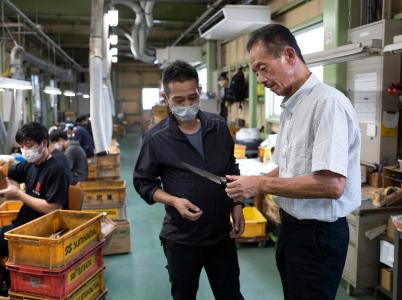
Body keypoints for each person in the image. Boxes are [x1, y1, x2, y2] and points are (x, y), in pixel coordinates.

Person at [225, 24, 361, 300]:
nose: (260, 79)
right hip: (292, 228)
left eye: (263, 68)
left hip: (317, 235)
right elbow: (285, 170)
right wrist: (247, 185)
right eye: (256, 72)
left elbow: (332, 185)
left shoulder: (327, 104)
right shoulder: (291, 106)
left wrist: (261, 184)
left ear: (289, 55)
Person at [134, 60, 245, 300]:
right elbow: (143, 182)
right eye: (179, 100)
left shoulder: (218, 126)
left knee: (231, 295)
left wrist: (237, 205)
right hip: (182, 239)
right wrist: (173, 201)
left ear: (200, 92)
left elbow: (230, 169)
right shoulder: (157, 139)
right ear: (165, 98)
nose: (187, 105)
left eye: (192, 98)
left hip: (220, 235)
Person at [0, 122, 70, 296]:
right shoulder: (32, 164)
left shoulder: (56, 170)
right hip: (21, 227)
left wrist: (19, 194)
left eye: (29, 145)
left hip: (36, 233)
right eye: (22, 146)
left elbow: (54, 208)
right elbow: (13, 170)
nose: (25, 150)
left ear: (44, 143)